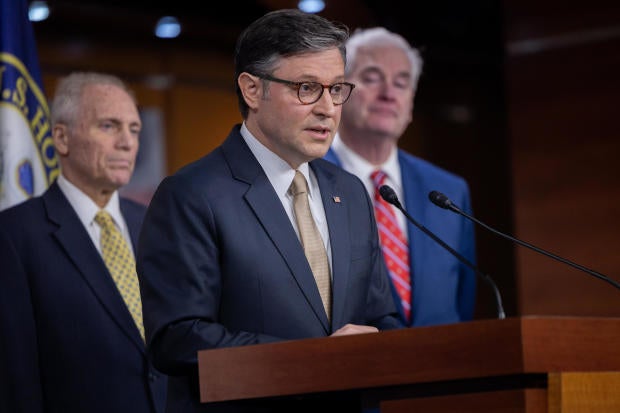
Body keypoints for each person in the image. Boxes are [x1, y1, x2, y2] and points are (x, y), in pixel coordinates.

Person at [136, 9, 401, 412]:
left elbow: (384, 318)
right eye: (307, 88)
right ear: (252, 90)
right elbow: (178, 338)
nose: (328, 108)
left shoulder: (349, 192)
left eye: (336, 89)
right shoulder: (191, 195)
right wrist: (317, 359)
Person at [0, 72, 168, 413]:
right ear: (62, 138)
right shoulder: (14, 235)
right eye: (108, 126)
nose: (127, 142)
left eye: (134, 129)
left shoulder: (156, 223)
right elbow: (16, 377)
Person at [324, 27, 477, 327]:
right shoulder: (306, 179)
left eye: (401, 82)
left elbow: (464, 298)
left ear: (411, 101)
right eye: (371, 78)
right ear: (340, 91)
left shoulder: (449, 190)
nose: (388, 94)